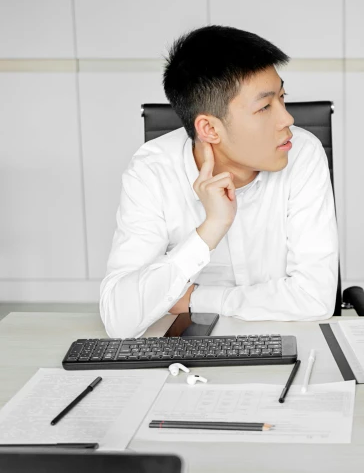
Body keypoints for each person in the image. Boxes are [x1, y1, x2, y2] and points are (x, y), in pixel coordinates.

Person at [100, 26, 338, 338]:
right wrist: (211, 228)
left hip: (284, 345)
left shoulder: (301, 154)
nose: (287, 119)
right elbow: (120, 319)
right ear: (210, 129)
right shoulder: (153, 171)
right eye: (265, 107)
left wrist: (196, 298)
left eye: (283, 97)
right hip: (185, 360)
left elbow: (315, 298)